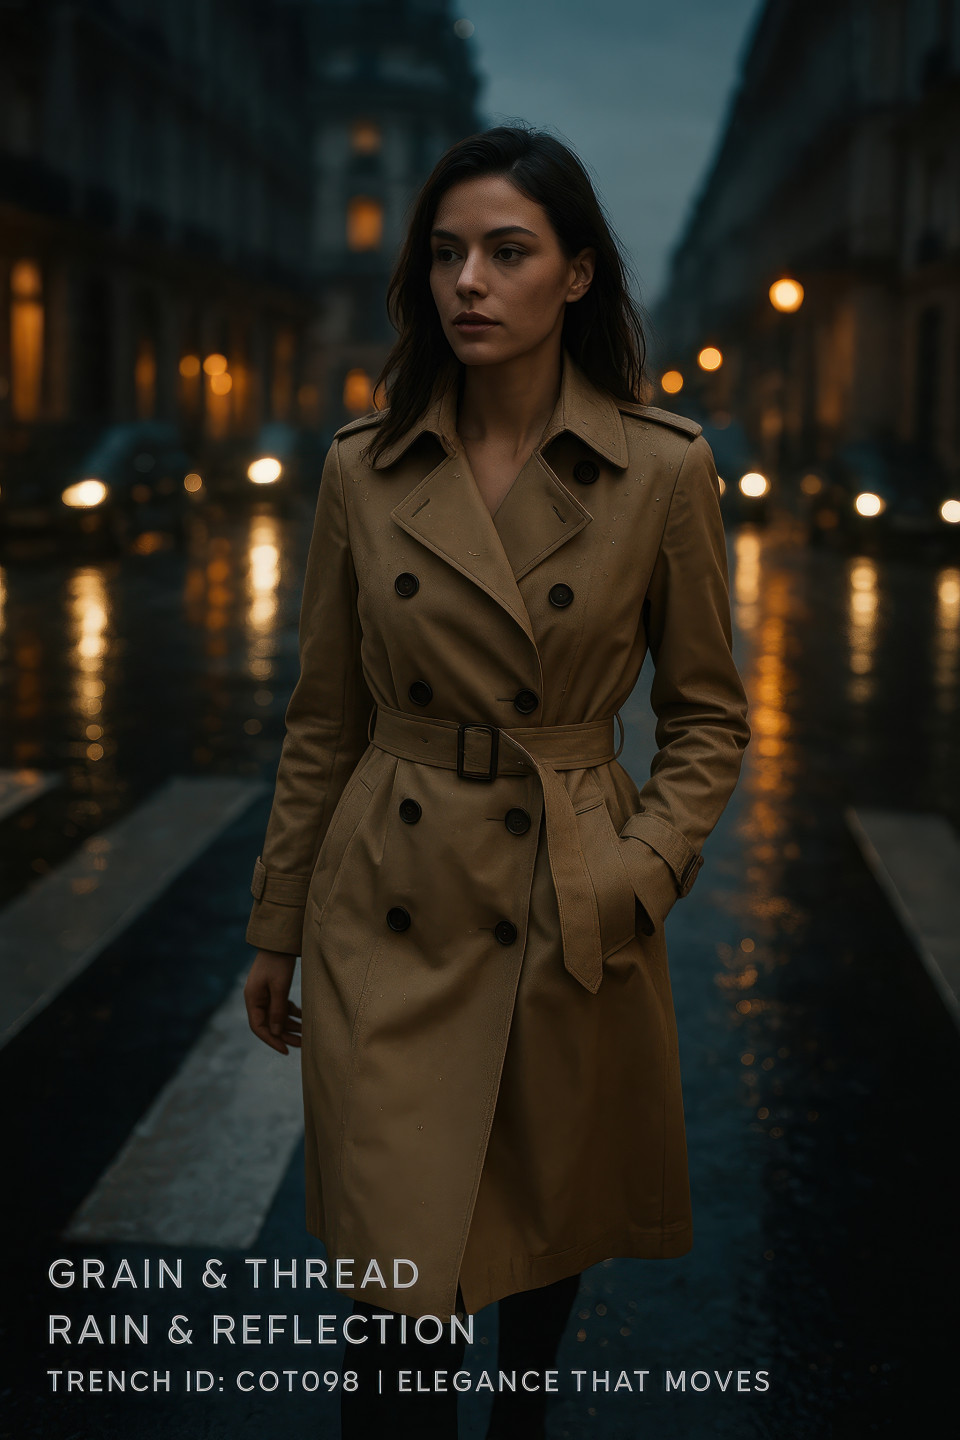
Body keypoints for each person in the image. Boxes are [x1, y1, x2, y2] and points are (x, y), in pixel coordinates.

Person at [242, 124, 751, 1438]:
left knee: (540, 1244)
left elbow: (705, 720)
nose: (467, 279)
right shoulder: (366, 467)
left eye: (506, 252)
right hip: (392, 901)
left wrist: (639, 877)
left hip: (569, 893)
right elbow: (325, 718)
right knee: (396, 1324)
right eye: (448, 252)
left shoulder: (662, 469)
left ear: (576, 276)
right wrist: (276, 925)